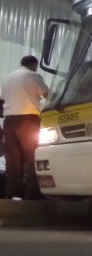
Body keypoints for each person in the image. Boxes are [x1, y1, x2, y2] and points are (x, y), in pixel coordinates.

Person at [0, 55, 49, 200]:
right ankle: (32, 194)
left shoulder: (8, 78)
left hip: (9, 122)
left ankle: (13, 194)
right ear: (34, 64)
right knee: (32, 157)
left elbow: (3, 98)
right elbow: (48, 95)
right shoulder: (33, 75)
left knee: (12, 160)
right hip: (28, 120)